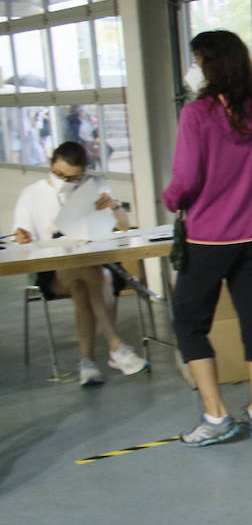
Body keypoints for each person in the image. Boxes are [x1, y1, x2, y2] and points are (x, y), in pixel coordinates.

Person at [163, 30, 252, 447]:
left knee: (189, 322)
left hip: (210, 239)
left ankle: (216, 416)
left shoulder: (198, 114)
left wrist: (170, 198)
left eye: (196, 61)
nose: (193, 70)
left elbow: (186, 178)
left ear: (210, 64)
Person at [11, 140, 149, 385]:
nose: (65, 181)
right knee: (90, 272)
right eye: (59, 175)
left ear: (84, 172)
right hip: (53, 270)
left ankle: (87, 363)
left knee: (83, 284)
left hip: (95, 266)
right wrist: (23, 237)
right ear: (51, 164)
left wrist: (114, 207)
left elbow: (124, 226)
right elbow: (20, 241)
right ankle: (115, 346)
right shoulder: (31, 194)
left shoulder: (96, 185)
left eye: (73, 178)